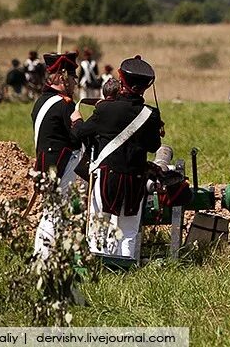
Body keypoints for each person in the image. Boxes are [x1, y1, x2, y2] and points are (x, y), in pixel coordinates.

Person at [72, 55, 164, 259]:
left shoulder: (105, 109)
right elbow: (154, 146)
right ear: (146, 87)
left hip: (107, 177)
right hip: (135, 179)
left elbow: (80, 133)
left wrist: (76, 120)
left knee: (99, 224)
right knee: (129, 229)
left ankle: (97, 264)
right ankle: (126, 265)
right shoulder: (151, 115)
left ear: (122, 82)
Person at [31, 51, 82, 259]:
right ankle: (44, 258)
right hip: (61, 164)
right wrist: (79, 120)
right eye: (72, 78)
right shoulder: (65, 104)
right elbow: (77, 136)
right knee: (54, 213)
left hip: (45, 163)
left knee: (52, 212)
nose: (75, 82)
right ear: (62, 77)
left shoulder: (41, 101)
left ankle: (47, 255)